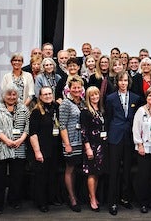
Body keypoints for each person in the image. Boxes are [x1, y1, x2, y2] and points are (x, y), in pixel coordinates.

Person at [0, 84, 29, 215]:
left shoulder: (23, 108)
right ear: (3, 95)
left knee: (17, 177)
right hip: (0, 148)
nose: (11, 97)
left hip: (18, 148)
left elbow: (28, 126)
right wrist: (7, 140)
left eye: (14, 94)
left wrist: (20, 140)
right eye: (9, 94)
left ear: (17, 95)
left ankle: (14, 200)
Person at [105, 71, 142, 215]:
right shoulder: (110, 98)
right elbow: (108, 118)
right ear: (117, 82)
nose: (123, 83)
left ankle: (125, 199)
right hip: (115, 137)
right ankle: (112, 202)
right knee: (114, 171)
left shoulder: (136, 97)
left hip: (130, 137)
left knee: (127, 170)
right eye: (121, 81)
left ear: (129, 82)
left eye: (126, 80)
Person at [29, 86, 61, 212]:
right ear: (40, 97)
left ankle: (50, 198)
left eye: (49, 93)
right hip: (42, 150)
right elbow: (33, 133)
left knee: (52, 175)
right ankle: (41, 202)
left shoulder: (55, 108)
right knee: (41, 177)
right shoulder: (36, 112)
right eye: (45, 94)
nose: (48, 96)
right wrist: (37, 152)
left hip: (54, 150)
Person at [58, 75, 86, 212]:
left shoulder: (83, 102)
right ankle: (72, 198)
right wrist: (67, 144)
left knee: (78, 170)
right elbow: (62, 125)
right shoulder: (65, 103)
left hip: (82, 142)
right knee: (70, 169)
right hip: (71, 142)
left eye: (78, 87)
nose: (76, 89)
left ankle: (79, 195)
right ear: (69, 89)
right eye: (74, 87)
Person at [80, 86, 108, 212]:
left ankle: (94, 195)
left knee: (97, 173)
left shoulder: (101, 110)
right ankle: (92, 198)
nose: (95, 97)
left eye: (97, 94)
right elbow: (84, 131)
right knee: (91, 173)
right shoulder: (85, 111)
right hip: (91, 146)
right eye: (92, 95)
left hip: (101, 146)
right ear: (88, 97)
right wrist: (88, 148)